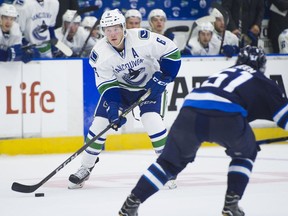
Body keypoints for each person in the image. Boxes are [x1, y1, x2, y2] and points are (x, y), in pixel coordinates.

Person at [119, 45, 288, 216]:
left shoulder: (224, 73)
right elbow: (284, 118)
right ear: (262, 65)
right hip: (226, 115)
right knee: (245, 152)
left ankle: (132, 202)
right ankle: (231, 204)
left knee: (168, 163)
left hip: (190, 111)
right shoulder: (262, 81)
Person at [68, 8, 181, 190]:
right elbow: (107, 84)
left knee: (151, 121)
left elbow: (172, 51)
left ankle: (168, 168)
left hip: (149, 87)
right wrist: (113, 107)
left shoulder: (142, 38)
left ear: (123, 27)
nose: (112, 33)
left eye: (116, 28)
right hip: (121, 90)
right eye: (108, 30)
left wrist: (165, 76)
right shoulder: (100, 53)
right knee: (99, 124)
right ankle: (86, 166)